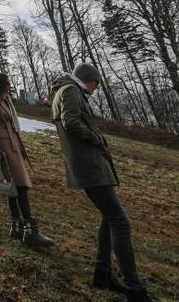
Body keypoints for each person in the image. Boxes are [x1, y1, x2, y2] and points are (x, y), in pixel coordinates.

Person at [51, 63, 157, 302]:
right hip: (90, 165)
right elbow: (71, 122)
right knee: (120, 222)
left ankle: (103, 274)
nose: (97, 86)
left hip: (88, 165)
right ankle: (133, 288)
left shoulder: (66, 91)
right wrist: (97, 139)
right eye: (96, 82)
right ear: (88, 79)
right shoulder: (71, 90)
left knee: (109, 218)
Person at [0, 73, 54, 247]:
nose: (9, 86)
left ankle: (17, 227)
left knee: (13, 188)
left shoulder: (5, 101)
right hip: (3, 147)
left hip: (13, 145)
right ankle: (30, 230)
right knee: (21, 186)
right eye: (6, 83)